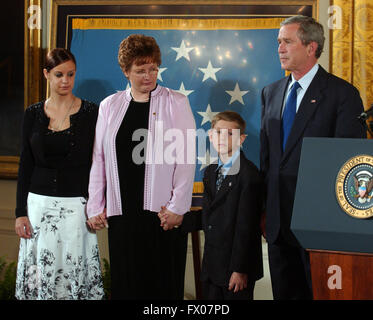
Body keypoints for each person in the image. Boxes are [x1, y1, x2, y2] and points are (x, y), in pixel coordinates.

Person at [260, 15, 366, 300]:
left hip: (320, 221)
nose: (279, 48)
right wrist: (264, 209)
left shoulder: (342, 94)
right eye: (278, 42)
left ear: (311, 47)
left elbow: (348, 163)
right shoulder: (270, 93)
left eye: (287, 42)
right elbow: (268, 158)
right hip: (278, 223)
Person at [86, 34, 196, 300]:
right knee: (127, 287)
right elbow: (99, 158)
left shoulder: (176, 102)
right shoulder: (109, 106)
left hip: (162, 215)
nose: (149, 76)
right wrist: (94, 205)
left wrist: (177, 206)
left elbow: (186, 158)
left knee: (162, 288)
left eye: (153, 69)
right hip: (122, 215)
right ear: (125, 71)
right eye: (140, 70)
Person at [14, 48, 104, 300]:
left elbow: (99, 163)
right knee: (41, 278)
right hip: (37, 208)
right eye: (59, 74)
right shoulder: (32, 113)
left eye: (71, 74)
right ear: (46, 74)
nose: (65, 80)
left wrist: (97, 204)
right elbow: (25, 164)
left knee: (75, 278)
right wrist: (20, 212)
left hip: (78, 208)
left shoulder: (91, 113)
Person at [173, 111, 263, 300]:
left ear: (242, 139)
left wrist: (240, 269)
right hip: (212, 265)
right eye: (219, 132)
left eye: (231, 134)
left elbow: (246, 227)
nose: (223, 138)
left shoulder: (249, 175)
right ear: (211, 136)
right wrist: (179, 220)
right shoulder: (211, 172)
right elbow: (211, 214)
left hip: (235, 270)